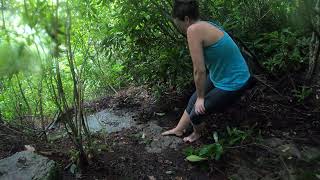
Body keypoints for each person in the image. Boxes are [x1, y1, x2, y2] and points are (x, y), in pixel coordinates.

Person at [162, 0, 253, 143]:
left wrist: (201, 98)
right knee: (193, 100)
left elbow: (199, 70)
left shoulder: (193, 30)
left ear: (186, 19)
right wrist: (198, 97)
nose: (179, 28)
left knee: (196, 114)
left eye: (177, 24)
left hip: (235, 81)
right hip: (223, 74)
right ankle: (179, 129)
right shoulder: (204, 24)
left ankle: (197, 133)